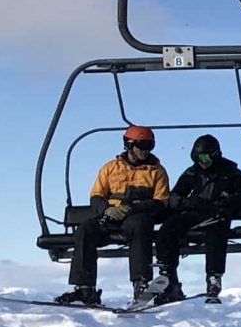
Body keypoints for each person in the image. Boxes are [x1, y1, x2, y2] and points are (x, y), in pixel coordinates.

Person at [55, 124, 169, 307]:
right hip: (112, 216)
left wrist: (132, 209)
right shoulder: (111, 168)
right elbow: (97, 195)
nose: (145, 151)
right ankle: (85, 288)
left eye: (149, 146)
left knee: (140, 227)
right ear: (129, 145)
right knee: (86, 230)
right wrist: (106, 210)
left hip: (136, 217)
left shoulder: (156, 171)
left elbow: (160, 202)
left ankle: (141, 282)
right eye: (142, 146)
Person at [156, 133, 241, 304]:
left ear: (215, 154)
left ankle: (213, 277)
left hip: (218, 215)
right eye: (197, 158)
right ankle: (168, 276)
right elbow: (174, 196)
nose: (202, 162)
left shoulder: (231, 173)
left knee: (216, 233)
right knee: (168, 229)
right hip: (195, 214)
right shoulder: (192, 173)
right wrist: (188, 202)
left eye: (204, 157)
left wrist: (231, 201)